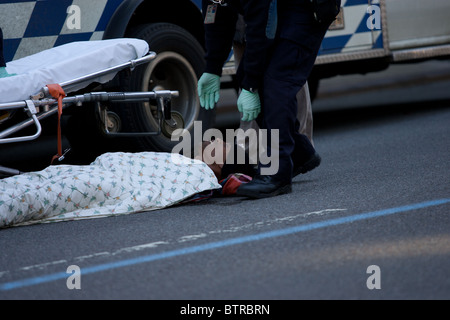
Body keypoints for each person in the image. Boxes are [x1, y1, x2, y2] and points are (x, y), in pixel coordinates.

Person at [197, 0, 340, 198]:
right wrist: (212, 68)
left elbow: (260, 27)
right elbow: (217, 16)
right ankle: (300, 153)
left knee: (278, 82)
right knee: (249, 75)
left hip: (306, 6)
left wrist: (250, 87)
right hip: (281, 8)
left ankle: (276, 175)